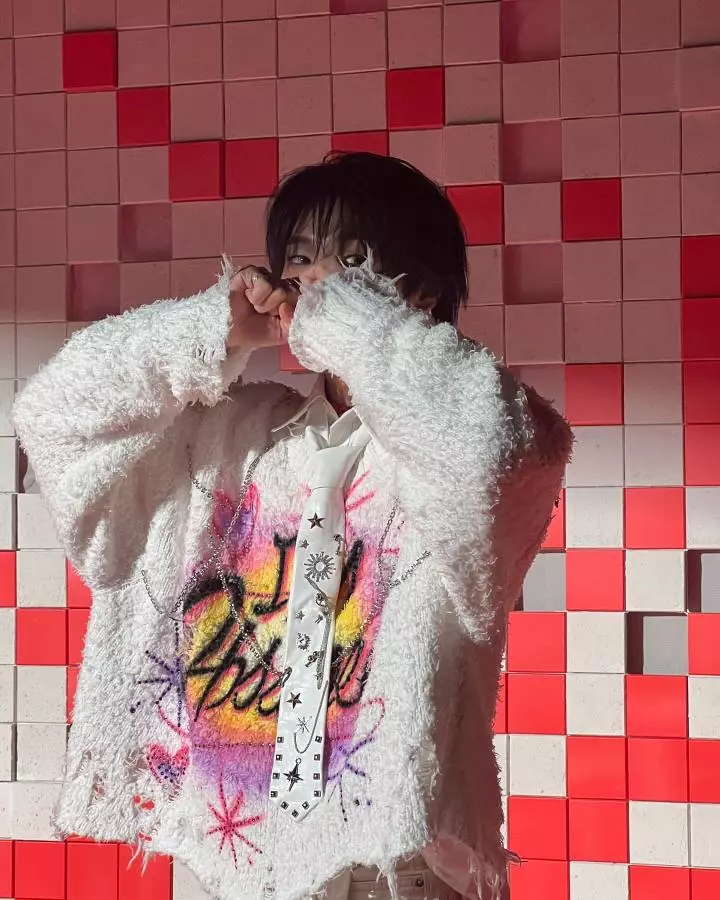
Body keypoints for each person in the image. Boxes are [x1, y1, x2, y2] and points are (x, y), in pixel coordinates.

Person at [12, 152, 573, 900]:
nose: (314, 281)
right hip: (227, 852)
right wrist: (206, 331)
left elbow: (487, 452)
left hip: (396, 864)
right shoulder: (233, 435)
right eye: (299, 259)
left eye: (353, 260)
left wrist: (347, 323)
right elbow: (52, 416)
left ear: (421, 290)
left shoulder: (478, 438)